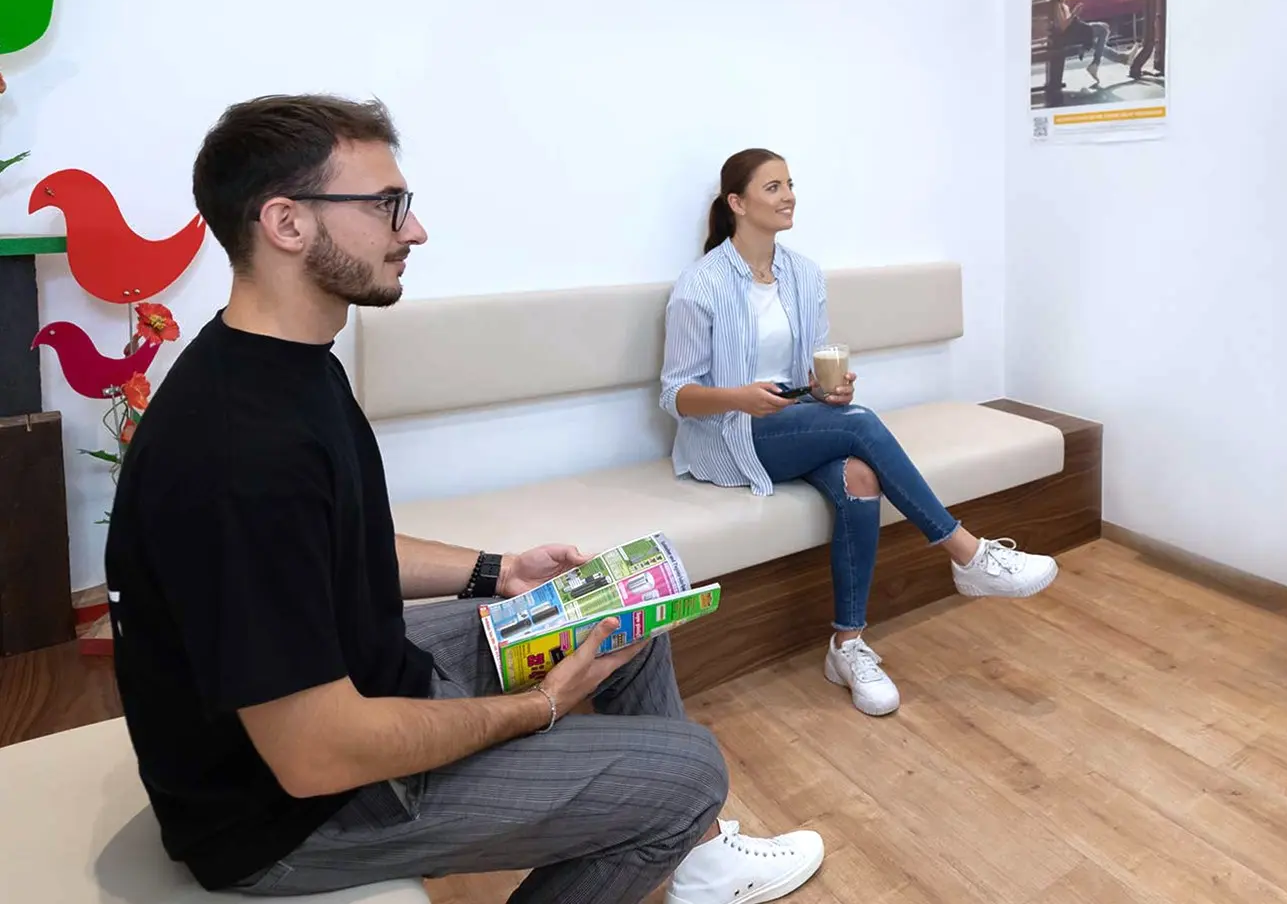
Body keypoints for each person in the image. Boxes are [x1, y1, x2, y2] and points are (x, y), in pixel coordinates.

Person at [103, 95, 823, 904]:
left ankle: (696, 860)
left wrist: (499, 570)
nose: (414, 231)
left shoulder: (287, 364)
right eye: (387, 206)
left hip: (367, 678)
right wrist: (541, 707)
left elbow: (337, 545)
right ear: (287, 223)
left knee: (622, 614)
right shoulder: (242, 451)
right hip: (295, 815)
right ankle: (677, 821)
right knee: (693, 773)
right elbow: (314, 756)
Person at [660, 148, 1059, 717]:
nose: (788, 196)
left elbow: (810, 373)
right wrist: (740, 397)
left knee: (860, 475)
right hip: (732, 435)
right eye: (773, 187)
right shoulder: (700, 285)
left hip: (796, 422)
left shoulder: (803, 273)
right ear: (737, 203)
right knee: (863, 423)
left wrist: (828, 391)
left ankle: (847, 646)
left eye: (790, 184)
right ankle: (966, 552)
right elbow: (675, 395)